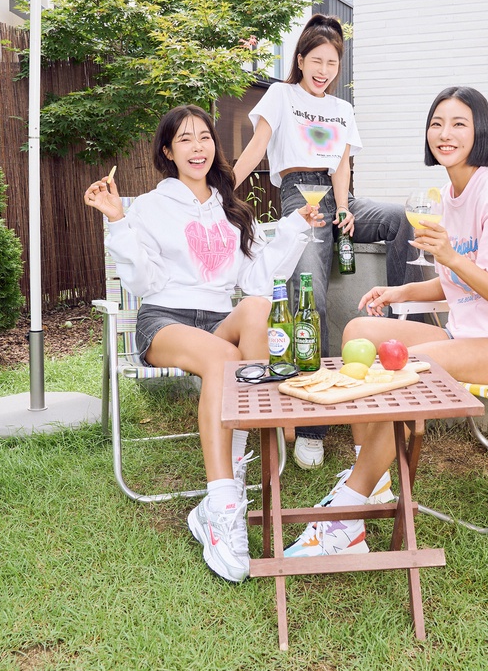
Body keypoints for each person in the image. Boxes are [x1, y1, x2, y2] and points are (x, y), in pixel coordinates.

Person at [282, 85, 488, 557]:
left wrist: (450, 255)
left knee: (410, 366)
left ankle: (347, 516)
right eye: (437, 123)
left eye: (459, 124)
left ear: (480, 131)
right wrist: (400, 292)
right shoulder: (448, 196)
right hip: (466, 333)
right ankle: (374, 482)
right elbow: (457, 284)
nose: (445, 133)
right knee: (359, 332)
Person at [83, 104, 322, 584]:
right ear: (168, 152)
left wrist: (297, 225)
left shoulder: (231, 209)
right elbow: (143, 282)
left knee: (257, 309)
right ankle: (223, 505)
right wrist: (118, 221)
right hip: (165, 320)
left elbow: (256, 281)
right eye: (185, 139)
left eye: (205, 137)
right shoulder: (146, 207)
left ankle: (226, 482)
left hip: (216, 320)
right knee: (226, 359)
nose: (198, 147)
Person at [231, 13, 420, 472]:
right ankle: (313, 425)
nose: (324, 70)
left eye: (332, 63)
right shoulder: (281, 96)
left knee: (402, 220)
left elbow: (341, 164)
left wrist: (346, 209)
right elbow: (257, 147)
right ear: (300, 60)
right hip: (300, 196)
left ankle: (399, 321)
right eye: (316, 60)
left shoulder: (341, 109)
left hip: (339, 196)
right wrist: (222, 190)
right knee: (310, 298)